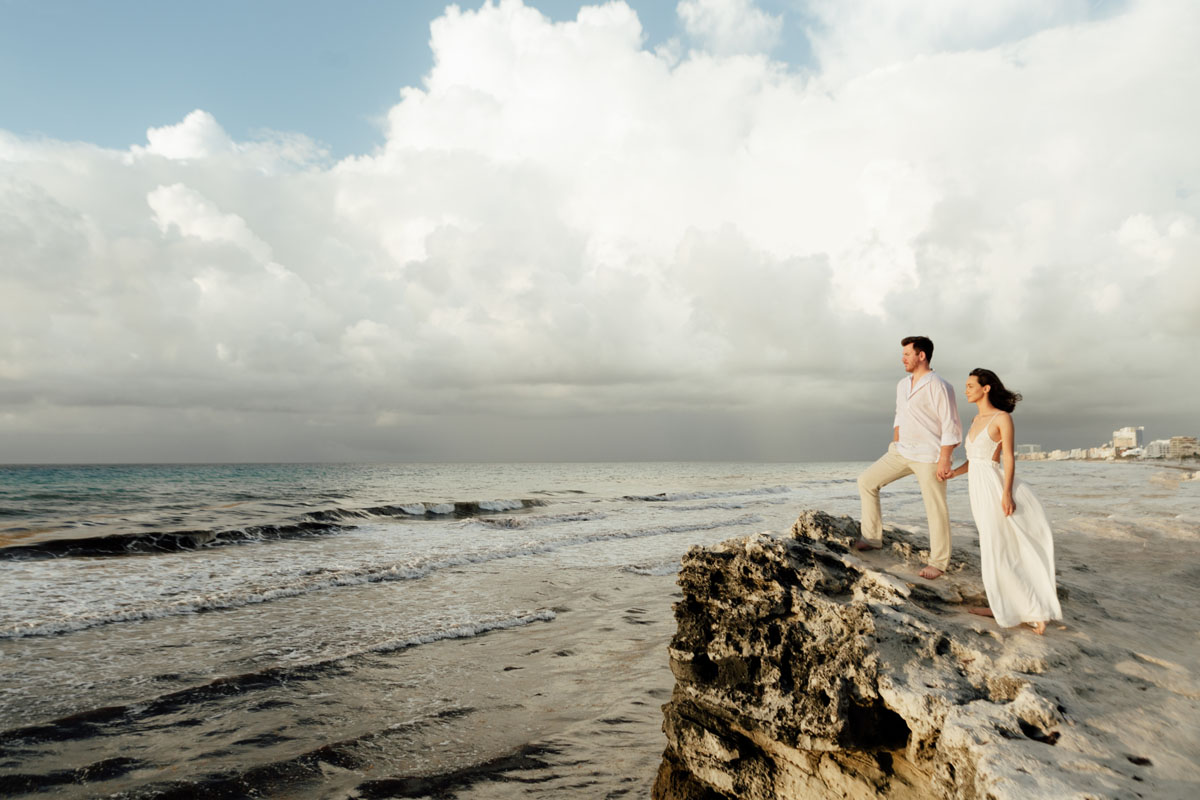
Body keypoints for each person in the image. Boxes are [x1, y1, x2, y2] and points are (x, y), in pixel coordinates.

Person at [946, 368, 1062, 634]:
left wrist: (1006, 493)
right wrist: (954, 473)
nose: (966, 390)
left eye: (970, 385)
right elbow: (974, 460)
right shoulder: (975, 420)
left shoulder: (1002, 418)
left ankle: (1031, 610)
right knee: (991, 546)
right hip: (976, 486)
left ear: (986, 388)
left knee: (1001, 547)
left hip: (993, 487)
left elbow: (1006, 458)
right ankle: (1002, 606)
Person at [856, 336, 962, 580]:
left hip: (929, 455)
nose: (902, 358)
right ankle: (872, 538)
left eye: (907, 354)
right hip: (901, 451)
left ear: (921, 355)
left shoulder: (939, 385)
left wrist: (945, 459)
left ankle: (938, 562)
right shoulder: (902, 384)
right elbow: (899, 415)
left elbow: (951, 424)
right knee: (866, 481)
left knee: (935, 507)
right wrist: (896, 440)